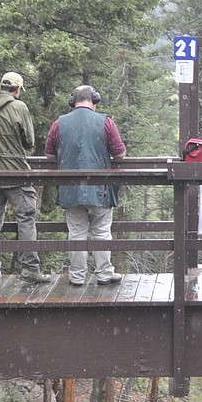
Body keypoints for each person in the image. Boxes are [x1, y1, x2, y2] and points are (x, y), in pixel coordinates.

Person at [45, 85, 128, 287]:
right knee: (101, 232)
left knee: (76, 234)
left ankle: (77, 277)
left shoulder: (59, 123)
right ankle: (104, 275)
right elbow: (120, 154)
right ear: (94, 100)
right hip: (100, 189)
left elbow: (49, 154)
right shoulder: (106, 122)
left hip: (70, 189)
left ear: (73, 101)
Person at [0, 71, 50, 283]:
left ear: (1, 87)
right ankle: (29, 269)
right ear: (17, 90)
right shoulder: (19, 107)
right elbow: (29, 142)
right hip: (16, 172)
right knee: (26, 219)